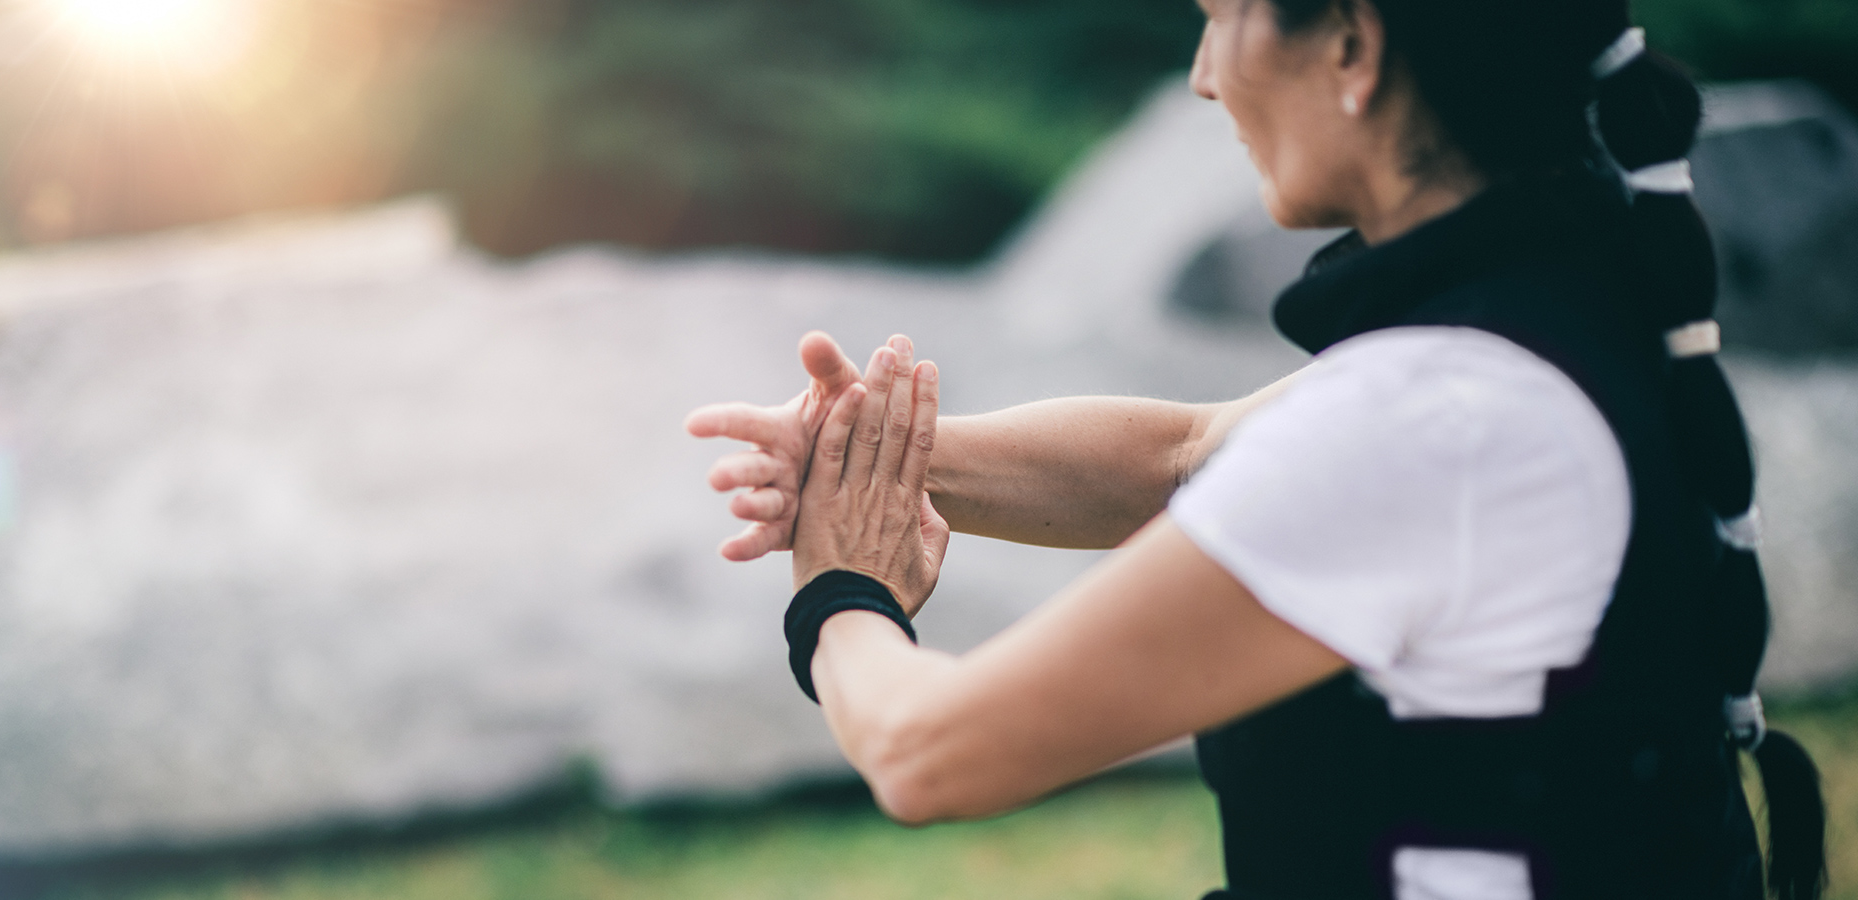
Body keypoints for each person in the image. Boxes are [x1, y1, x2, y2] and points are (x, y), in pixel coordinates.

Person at [685, 1, 1827, 898]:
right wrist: (878, 455)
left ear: (1351, 41)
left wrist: (841, 587)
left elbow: (933, 752)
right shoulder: (1544, 336)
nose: (1202, 74)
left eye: (1217, 15)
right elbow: (1185, 454)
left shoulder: (1432, 425)